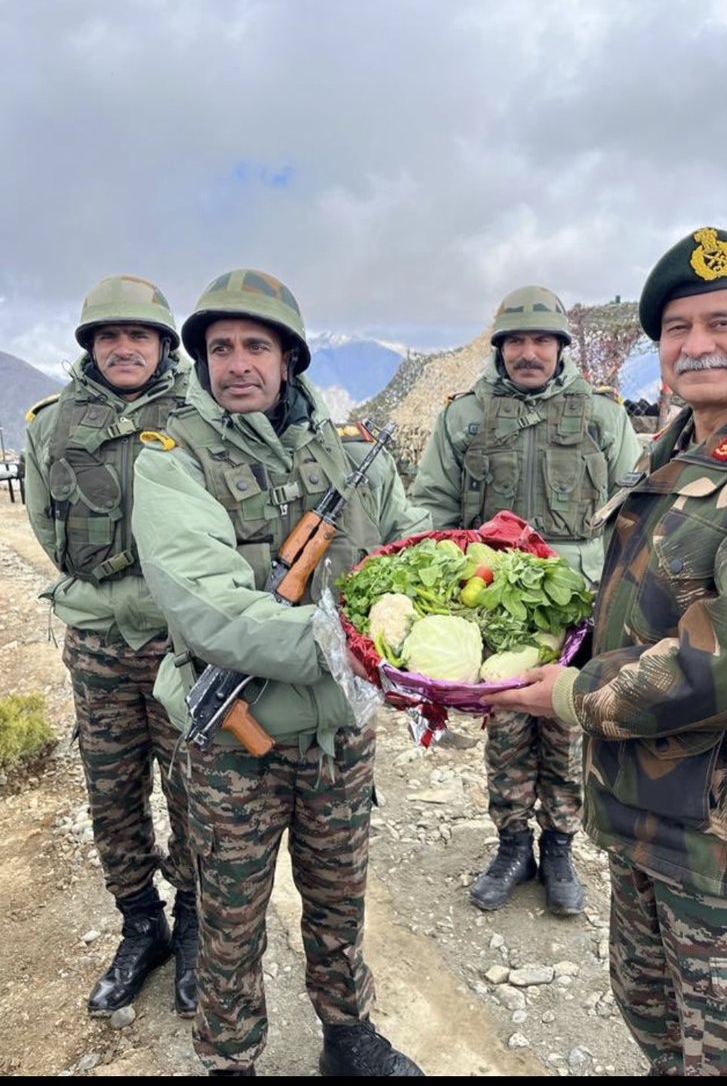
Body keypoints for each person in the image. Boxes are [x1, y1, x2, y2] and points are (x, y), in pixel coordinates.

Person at [482, 227, 727, 1076]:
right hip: (641, 819)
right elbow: (630, 599)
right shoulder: (683, 449)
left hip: (724, 847)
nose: (695, 346)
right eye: (675, 331)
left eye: (720, 324)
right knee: (660, 1035)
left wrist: (563, 692)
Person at [130, 269, 430, 1078]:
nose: (236, 363)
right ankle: (230, 1057)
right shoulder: (170, 457)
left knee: (339, 900)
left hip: (338, 733)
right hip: (234, 743)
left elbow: (412, 553)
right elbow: (209, 611)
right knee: (231, 920)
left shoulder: (351, 452)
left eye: (255, 346)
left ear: (289, 358)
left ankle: (347, 1032)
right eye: (220, 347)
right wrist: (356, 651)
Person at [410, 285, 643, 916]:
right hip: (497, 603)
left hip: (577, 607)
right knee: (509, 727)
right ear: (500, 348)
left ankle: (561, 847)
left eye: (542, 340)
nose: (529, 352)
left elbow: (637, 509)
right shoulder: (467, 417)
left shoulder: (601, 416)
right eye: (516, 341)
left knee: (565, 724)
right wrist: (422, 580)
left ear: (561, 347)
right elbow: (432, 503)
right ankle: (513, 844)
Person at [23, 276, 198, 1017]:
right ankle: (141, 928)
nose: (124, 347)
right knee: (111, 790)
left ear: (163, 345)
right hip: (96, 644)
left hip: (181, 642)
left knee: (195, 789)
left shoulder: (201, 414)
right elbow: (41, 517)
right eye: (109, 336)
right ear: (90, 347)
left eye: (140, 335)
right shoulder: (51, 423)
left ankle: (193, 928)